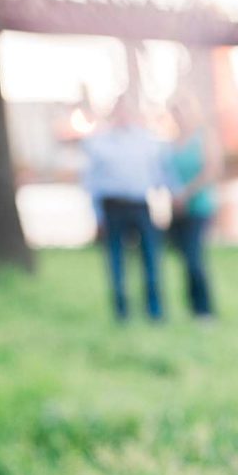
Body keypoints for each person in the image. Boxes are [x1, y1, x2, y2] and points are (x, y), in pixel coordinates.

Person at [82, 95, 167, 321]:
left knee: (150, 259)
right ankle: (121, 311)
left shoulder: (146, 141)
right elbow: (91, 182)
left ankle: (154, 310)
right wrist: (97, 215)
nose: (123, 116)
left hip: (140, 205)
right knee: (116, 261)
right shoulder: (99, 142)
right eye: (119, 111)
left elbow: (157, 175)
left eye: (127, 111)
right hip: (112, 207)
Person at [164, 96, 221, 319]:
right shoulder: (172, 142)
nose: (179, 116)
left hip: (199, 206)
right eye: (175, 112)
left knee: (195, 258)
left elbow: (211, 169)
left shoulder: (204, 136)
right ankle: (192, 308)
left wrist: (187, 193)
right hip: (177, 209)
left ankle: (205, 310)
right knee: (185, 257)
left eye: (182, 110)